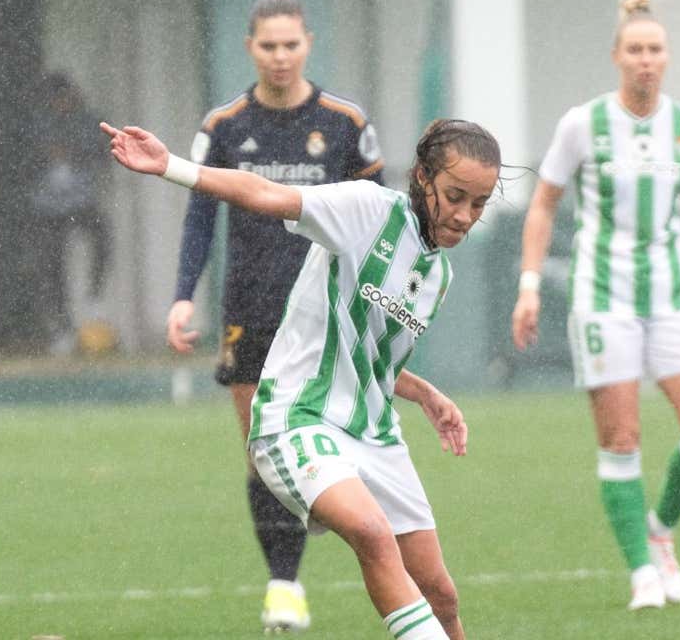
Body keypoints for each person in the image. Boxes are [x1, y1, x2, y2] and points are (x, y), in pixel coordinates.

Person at [103, 116, 499, 640]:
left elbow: (364, 355)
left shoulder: (438, 274)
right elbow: (264, 192)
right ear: (423, 177)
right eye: (455, 195)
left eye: (478, 204)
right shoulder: (368, 210)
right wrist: (172, 167)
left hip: (374, 436)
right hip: (297, 420)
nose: (464, 215)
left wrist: (422, 392)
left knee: (442, 594)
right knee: (370, 532)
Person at [511, 0, 680, 611]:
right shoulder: (582, 124)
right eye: (635, 49)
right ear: (617, 56)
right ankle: (641, 570)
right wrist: (529, 286)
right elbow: (544, 204)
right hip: (603, 298)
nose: (646, 60)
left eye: (656, 50)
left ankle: (659, 529)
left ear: (667, 59)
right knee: (620, 439)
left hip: (674, 297)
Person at [166, 0, 386, 631]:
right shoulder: (226, 126)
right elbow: (200, 214)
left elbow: (377, 214)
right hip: (252, 307)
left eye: (291, 44)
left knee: (342, 440)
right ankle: (284, 585)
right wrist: (184, 293)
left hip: (329, 310)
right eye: (269, 46)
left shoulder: (345, 123)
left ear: (308, 43)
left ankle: (329, 507)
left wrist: (381, 294)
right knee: (262, 449)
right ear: (250, 49)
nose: (281, 56)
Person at [30, 71, 113, 355]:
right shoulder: (38, 124)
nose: (61, 104)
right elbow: (20, 160)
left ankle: (94, 296)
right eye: (56, 100)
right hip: (49, 207)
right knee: (51, 264)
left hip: (81, 202)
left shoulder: (87, 121)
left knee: (102, 240)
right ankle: (62, 326)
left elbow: (104, 151)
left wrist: (76, 151)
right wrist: (45, 155)